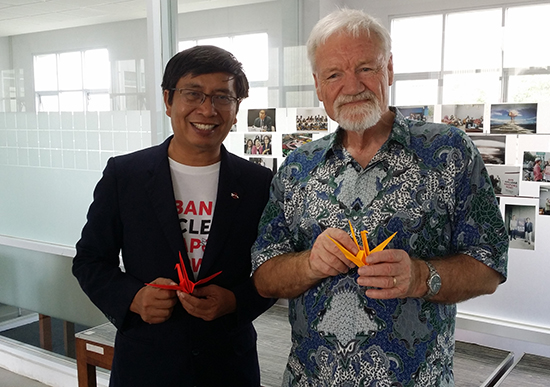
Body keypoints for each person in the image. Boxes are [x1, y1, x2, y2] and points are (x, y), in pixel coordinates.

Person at [251, 9, 508, 386]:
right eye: (334, 74)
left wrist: (421, 276)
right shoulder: (296, 166)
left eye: (366, 68)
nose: (352, 85)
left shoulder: (449, 151)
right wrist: (310, 264)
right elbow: (263, 276)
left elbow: (489, 265)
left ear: (389, 69)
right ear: (318, 85)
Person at [73, 45, 275, 387]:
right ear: (168, 100)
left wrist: (234, 302)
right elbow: (90, 260)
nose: (207, 109)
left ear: (237, 109)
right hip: (146, 365)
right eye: (193, 93)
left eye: (222, 97)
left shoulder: (259, 184)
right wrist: (133, 299)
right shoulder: (126, 175)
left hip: (228, 367)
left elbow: (274, 268)